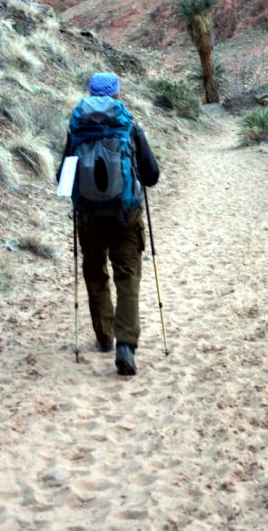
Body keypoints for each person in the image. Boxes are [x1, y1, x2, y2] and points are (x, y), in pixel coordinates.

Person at [58, 72, 159, 375]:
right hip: (125, 215)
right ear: (117, 94)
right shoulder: (129, 126)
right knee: (127, 277)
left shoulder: (77, 128)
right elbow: (152, 175)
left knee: (95, 273)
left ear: (90, 94)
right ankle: (125, 345)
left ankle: (104, 336)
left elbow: (62, 178)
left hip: (89, 217)